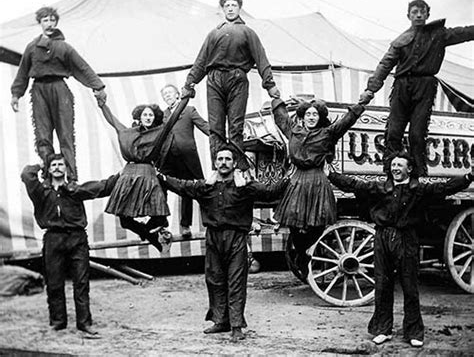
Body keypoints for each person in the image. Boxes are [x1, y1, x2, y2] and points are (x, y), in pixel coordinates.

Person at [328, 151, 473, 348]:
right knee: (382, 285)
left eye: (400, 165)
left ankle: (414, 332)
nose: (395, 168)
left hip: (407, 238)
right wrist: (331, 175)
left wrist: (469, 177)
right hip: (382, 238)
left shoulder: (418, 190)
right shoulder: (380, 187)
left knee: (410, 287)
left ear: (409, 169)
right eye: (393, 165)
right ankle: (382, 329)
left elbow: (445, 188)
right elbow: (354, 185)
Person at [158, 147, 288, 342]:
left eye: (228, 159)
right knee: (215, 280)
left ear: (234, 164)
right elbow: (181, 186)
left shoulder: (245, 186)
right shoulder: (205, 186)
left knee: (236, 282)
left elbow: (270, 192)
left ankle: (236, 326)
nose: (224, 162)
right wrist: (161, 177)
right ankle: (220, 321)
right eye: (220, 159)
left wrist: (289, 177)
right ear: (215, 163)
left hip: (236, 238)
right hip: (213, 238)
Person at [363, 0, 474, 177]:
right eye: (415, 12)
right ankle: (390, 174)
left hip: (425, 87)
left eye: (422, 12)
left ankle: (419, 175)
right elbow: (385, 64)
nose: (419, 15)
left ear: (428, 15)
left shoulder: (439, 35)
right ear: (409, 16)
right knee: (394, 131)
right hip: (401, 87)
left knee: (417, 133)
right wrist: (371, 89)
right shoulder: (400, 41)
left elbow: (465, 32)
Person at [271, 92, 373, 278]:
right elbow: (281, 116)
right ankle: (302, 254)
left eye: (315, 114)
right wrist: (275, 96)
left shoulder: (328, 133)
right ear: (302, 116)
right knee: (294, 222)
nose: (311, 117)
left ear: (320, 117)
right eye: (308, 114)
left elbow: (347, 121)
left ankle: (309, 251)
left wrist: (363, 101)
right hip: (297, 180)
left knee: (318, 223)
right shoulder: (293, 130)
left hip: (318, 180)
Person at [181, 0, 281, 172]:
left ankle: (236, 171)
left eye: (234, 5)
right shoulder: (213, 34)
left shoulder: (248, 32)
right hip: (214, 80)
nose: (230, 8)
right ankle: (217, 171)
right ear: (222, 9)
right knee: (216, 128)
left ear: (240, 8)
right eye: (227, 5)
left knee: (235, 127)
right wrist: (189, 84)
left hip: (237, 79)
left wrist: (270, 84)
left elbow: (261, 59)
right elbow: (201, 61)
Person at [21, 153, 119, 336]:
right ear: (49, 170)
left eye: (60, 164)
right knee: (54, 283)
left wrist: (122, 175)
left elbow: (102, 187)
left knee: (81, 283)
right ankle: (58, 321)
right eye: (53, 165)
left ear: (66, 168)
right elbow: (27, 174)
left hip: (77, 239)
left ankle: (84, 323)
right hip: (53, 240)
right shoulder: (40, 192)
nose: (57, 167)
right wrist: (40, 164)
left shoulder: (75, 190)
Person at [11, 7, 106, 181]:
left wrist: (98, 87)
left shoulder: (64, 47)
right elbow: (23, 72)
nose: (49, 23)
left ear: (56, 22)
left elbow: (82, 67)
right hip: (39, 90)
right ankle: (48, 175)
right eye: (45, 20)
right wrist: (16, 94)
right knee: (43, 135)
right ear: (40, 23)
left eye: (52, 20)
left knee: (66, 134)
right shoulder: (32, 47)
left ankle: (71, 177)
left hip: (60, 89)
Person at [94, 91, 186, 252]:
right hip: (128, 174)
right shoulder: (128, 133)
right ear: (139, 117)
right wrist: (102, 104)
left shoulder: (159, 132)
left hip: (148, 173)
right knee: (124, 219)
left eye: (151, 115)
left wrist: (184, 99)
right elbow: (112, 121)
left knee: (159, 217)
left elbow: (173, 119)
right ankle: (153, 238)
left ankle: (157, 234)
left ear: (155, 117)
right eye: (145, 114)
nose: (148, 117)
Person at [159, 84, 210, 238]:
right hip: (168, 158)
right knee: (161, 186)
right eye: (164, 94)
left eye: (170, 93)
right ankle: (161, 224)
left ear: (177, 95)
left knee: (196, 189)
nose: (167, 96)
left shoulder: (189, 110)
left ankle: (187, 225)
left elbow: (204, 126)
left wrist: (220, 138)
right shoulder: (162, 115)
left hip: (187, 157)